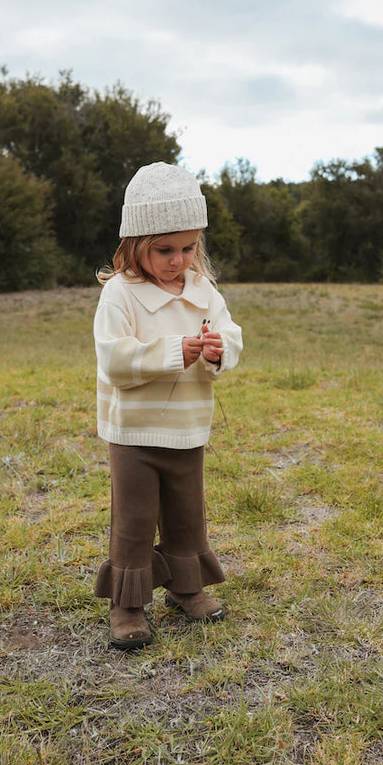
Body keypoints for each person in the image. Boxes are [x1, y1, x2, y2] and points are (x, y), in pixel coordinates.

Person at [93, 162, 243, 650]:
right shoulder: (120, 295)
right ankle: (128, 604)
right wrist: (175, 351)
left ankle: (186, 587)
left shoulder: (204, 292)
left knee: (186, 515)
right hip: (134, 433)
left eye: (187, 248)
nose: (177, 261)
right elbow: (115, 360)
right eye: (164, 250)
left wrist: (220, 350)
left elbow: (232, 335)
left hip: (187, 429)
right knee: (134, 521)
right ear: (135, 244)